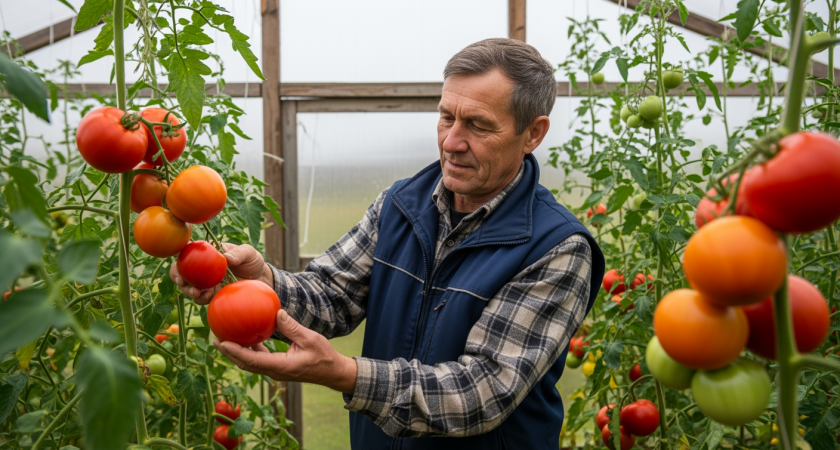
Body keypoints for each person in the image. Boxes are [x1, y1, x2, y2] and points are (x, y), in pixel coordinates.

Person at [171, 38, 605, 450]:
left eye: (477, 125)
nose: (452, 142)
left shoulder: (557, 248)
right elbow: (332, 296)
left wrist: (345, 374)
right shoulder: (401, 205)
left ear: (532, 134)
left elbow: (482, 390)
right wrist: (260, 280)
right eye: (446, 117)